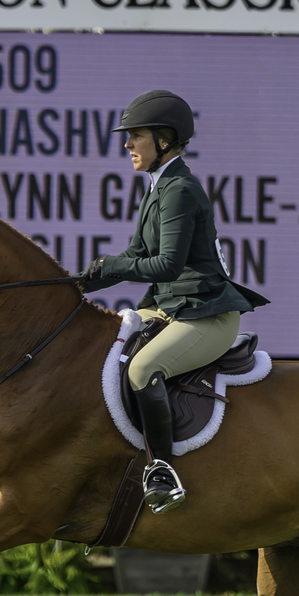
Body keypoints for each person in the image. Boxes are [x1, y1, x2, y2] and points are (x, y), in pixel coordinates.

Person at [76, 90, 269, 513]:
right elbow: (133, 258)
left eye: (136, 136)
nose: (127, 144)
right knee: (102, 337)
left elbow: (163, 264)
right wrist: (77, 284)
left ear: (165, 139)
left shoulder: (180, 189)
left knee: (144, 367)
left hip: (208, 315)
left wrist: (111, 265)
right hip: (172, 307)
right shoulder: (157, 188)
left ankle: (162, 471)